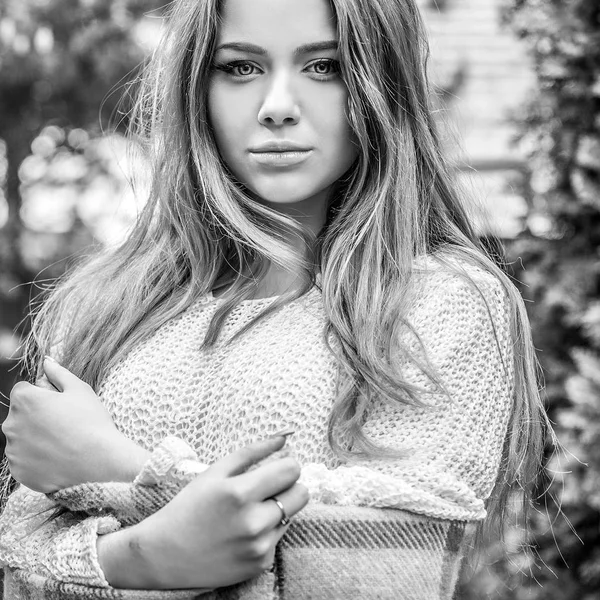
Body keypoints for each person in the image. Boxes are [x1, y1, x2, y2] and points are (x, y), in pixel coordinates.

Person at [0, 0, 550, 598]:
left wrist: (116, 471)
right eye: (240, 68)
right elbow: (21, 565)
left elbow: (387, 573)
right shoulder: (108, 305)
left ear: (380, 83)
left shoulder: (442, 302)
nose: (277, 107)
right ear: (196, 86)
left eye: (324, 67)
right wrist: (146, 558)